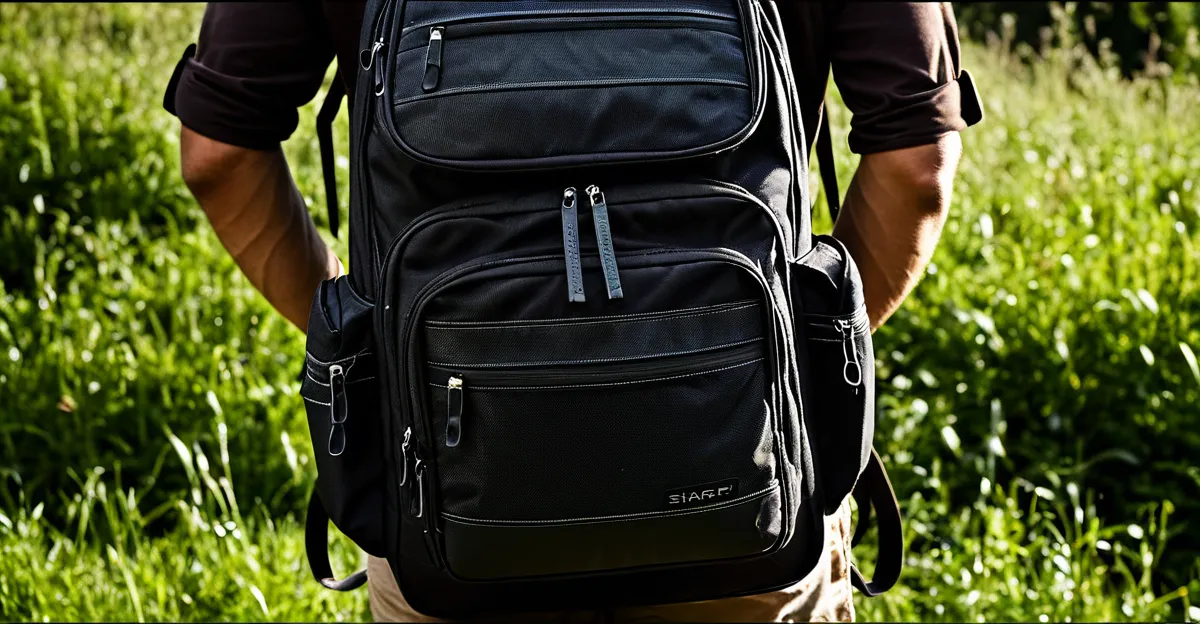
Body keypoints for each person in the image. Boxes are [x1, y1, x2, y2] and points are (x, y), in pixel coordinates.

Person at [167, 2, 982, 621]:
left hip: (452, 509)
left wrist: (380, 360)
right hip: (747, 494)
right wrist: (785, 370)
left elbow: (219, 155)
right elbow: (915, 165)